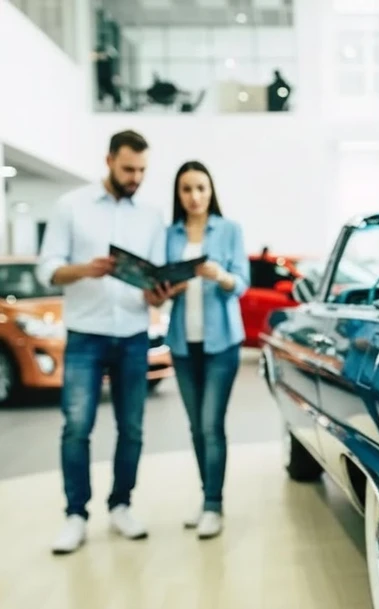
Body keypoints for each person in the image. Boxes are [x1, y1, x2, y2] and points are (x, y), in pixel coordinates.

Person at [38, 130, 172, 555]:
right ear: (109, 160)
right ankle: (75, 514)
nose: (136, 177)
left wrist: (158, 293)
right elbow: (48, 269)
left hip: (133, 334)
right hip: (85, 334)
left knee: (131, 428)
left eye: (142, 170)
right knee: (77, 427)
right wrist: (85, 269)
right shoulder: (70, 206)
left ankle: (121, 506)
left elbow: (154, 281)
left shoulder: (151, 216)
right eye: (129, 169)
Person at [163, 160, 249, 539]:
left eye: (201, 188)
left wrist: (221, 275)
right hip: (183, 345)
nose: (194, 196)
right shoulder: (170, 234)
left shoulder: (230, 230)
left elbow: (242, 283)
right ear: (178, 194)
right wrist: (170, 287)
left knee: (212, 424)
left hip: (221, 345)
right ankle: (206, 498)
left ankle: (214, 504)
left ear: (211, 191)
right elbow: (160, 284)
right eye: (186, 189)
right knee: (196, 427)